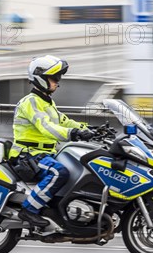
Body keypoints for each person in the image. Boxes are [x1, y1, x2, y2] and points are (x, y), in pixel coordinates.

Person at [10, 55, 94, 227]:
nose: (58, 82)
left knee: (77, 168)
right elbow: (46, 127)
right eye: (54, 78)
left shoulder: (47, 102)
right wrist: (73, 133)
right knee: (59, 172)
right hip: (28, 155)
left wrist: (89, 129)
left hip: (45, 154)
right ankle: (29, 210)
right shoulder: (31, 102)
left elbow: (64, 121)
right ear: (40, 78)